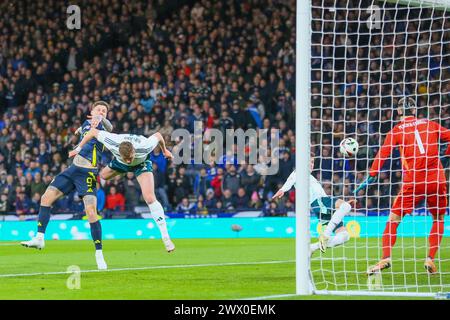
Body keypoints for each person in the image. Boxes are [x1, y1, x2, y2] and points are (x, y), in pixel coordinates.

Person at [356, 97, 450, 275]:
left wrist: (372, 174)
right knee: (438, 219)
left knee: (393, 220)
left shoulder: (396, 130)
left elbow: (383, 153)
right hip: (437, 179)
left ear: (399, 112)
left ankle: (385, 258)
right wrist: (446, 154)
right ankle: (430, 258)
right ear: (414, 110)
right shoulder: (430, 123)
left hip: (414, 181)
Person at [21, 101, 112, 270]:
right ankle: (39, 238)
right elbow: (82, 129)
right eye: (98, 109)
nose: (101, 112)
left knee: (91, 212)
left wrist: (79, 145)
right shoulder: (86, 123)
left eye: (104, 110)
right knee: (46, 198)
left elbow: (109, 126)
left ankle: (99, 254)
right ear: (91, 111)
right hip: (72, 170)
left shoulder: (104, 130)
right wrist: (77, 132)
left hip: (88, 173)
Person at [69, 127, 176, 253]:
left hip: (140, 164)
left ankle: (165, 236)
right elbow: (93, 132)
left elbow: (158, 135)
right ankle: (123, 170)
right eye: (127, 159)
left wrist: (165, 151)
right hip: (120, 164)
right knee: (103, 175)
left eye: (130, 157)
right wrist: (78, 148)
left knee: (150, 198)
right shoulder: (112, 142)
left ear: (133, 151)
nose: (129, 160)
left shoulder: (144, 146)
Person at [273, 152, 353, 255]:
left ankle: (312, 248)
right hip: (319, 201)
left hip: (321, 206)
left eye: (312, 162)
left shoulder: (310, 177)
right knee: (346, 206)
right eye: (309, 162)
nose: (311, 164)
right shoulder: (300, 172)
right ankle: (325, 234)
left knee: (344, 236)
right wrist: (283, 189)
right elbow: (291, 180)